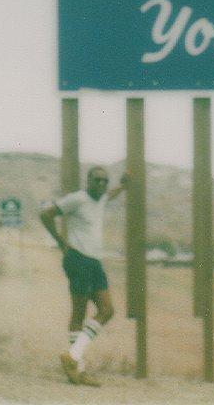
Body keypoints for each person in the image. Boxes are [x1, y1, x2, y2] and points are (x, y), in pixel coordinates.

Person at [39, 166, 127, 387]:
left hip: (94, 262)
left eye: (104, 181)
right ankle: (77, 368)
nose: (100, 184)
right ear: (88, 181)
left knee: (107, 310)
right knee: (79, 312)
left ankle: (73, 356)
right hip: (77, 259)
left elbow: (111, 194)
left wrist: (124, 186)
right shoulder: (77, 199)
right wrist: (60, 241)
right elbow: (45, 214)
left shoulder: (102, 197)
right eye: (96, 180)